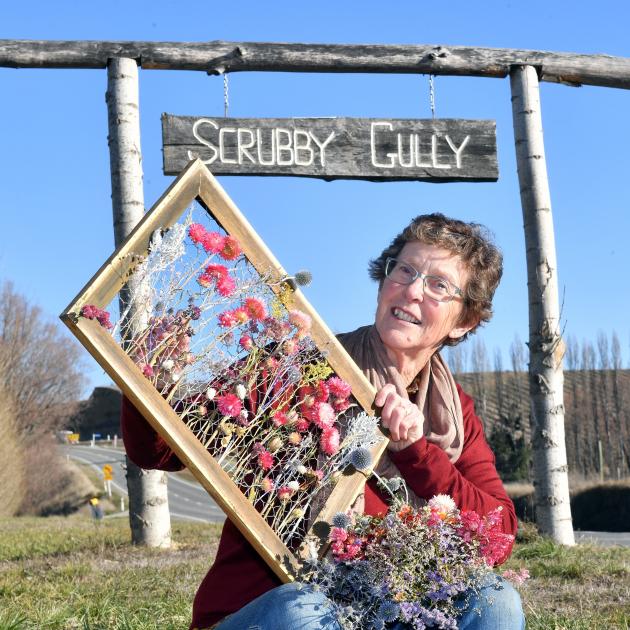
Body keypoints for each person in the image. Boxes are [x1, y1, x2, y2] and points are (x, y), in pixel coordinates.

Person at [121, 213, 525, 629]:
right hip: (271, 612)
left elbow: (499, 535)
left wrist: (415, 453)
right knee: (305, 609)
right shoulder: (303, 365)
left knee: (496, 600)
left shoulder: (453, 411)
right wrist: (150, 378)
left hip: (381, 614)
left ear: (464, 322)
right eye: (404, 270)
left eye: (438, 285)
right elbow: (158, 451)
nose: (412, 290)